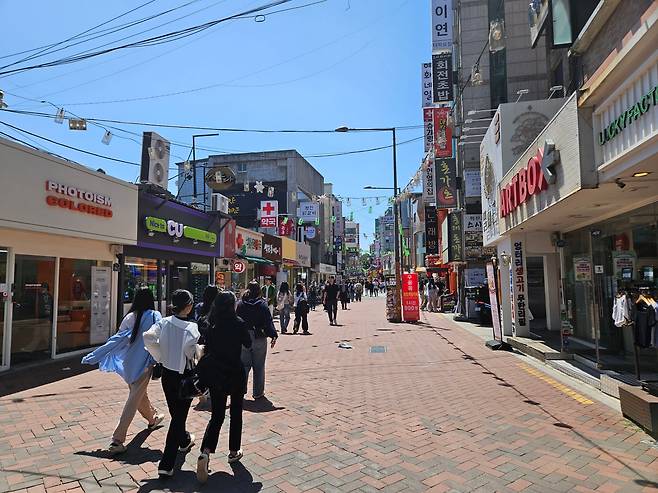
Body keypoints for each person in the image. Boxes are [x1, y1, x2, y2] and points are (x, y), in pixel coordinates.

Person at [82, 287, 164, 455]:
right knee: (134, 399)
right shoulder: (155, 316)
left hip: (128, 364)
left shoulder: (129, 317)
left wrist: (95, 355)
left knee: (139, 395)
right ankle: (117, 440)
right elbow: (158, 340)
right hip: (144, 364)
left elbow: (117, 340)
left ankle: (152, 419)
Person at [196, 291, 252, 483]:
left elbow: (204, 345)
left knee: (217, 415)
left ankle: (205, 452)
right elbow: (248, 343)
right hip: (235, 372)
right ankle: (233, 451)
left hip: (215, 374)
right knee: (236, 412)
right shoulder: (238, 323)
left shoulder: (210, 323)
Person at [144, 290, 201, 478]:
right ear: (188, 306)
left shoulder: (163, 322)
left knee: (176, 413)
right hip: (184, 375)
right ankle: (167, 463)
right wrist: (199, 351)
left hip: (167, 375)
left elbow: (148, 337)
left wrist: (160, 356)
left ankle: (184, 440)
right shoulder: (191, 327)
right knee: (178, 417)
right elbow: (189, 350)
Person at [237, 281, 278, 400]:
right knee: (259, 366)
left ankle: (241, 389)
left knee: (244, 366)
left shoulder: (241, 304)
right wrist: (273, 335)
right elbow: (268, 321)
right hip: (259, 337)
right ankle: (258, 392)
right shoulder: (262, 304)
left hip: (244, 336)